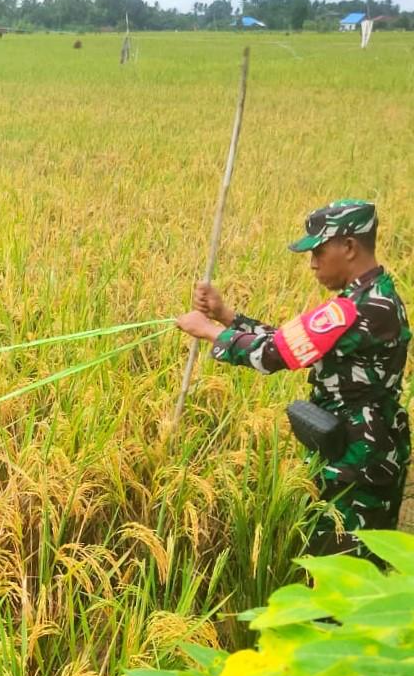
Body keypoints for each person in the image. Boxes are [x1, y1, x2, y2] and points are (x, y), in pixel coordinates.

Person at [176, 199, 410, 563]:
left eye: (318, 250)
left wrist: (209, 332)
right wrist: (225, 316)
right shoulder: (375, 296)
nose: (313, 263)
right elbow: (287, 341)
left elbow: (275, 354)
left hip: (355, 459)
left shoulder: (355, 309)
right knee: (366, 563)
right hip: (370, 448)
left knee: (341, 567)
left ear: (348, 246)